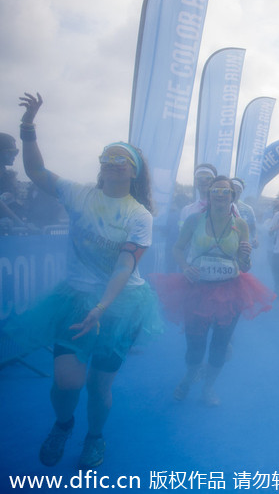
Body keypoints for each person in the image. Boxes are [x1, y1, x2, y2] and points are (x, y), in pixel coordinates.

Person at [10, 92, 162, 468]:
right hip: (74, 298)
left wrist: (101, 307)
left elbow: (125, 266)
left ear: (134, 170)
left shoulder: (140, 215)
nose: (112, 164)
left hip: (122, 305)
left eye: (120, 160)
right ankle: (63, 425)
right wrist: (28, 129)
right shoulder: (79, 194)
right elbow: (36, 173)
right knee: (66, 382)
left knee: (98, 387)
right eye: (106, 158)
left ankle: (94, 438)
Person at [152, 176, 276, 406]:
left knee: (220, 345)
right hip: (197, 290)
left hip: (230, 291)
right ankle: (189, 377)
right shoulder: (193, 220)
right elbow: (177, 248)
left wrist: (246, 255)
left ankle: (208, 388)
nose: (220, 196)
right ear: (209, 196)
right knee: (195, 345)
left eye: (225, 192)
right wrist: (185, 267)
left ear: (232, 196)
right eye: (215, 192)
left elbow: (245, 266)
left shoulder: (240, 225)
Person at [179, 163, 217, 228]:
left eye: (208, 178)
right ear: (195, 182)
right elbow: (181, 233)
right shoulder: (186, 210)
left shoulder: (230, 207)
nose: (203, 181)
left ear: (215, 181)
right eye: (199, 178)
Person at [231, 177, 259, 248]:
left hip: (242, 246)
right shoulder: (219, 205)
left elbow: (253, 227)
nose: (235, 194)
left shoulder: (248, 209)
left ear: (241, 192)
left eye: (238, 191)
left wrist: (255, 238)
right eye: (233, 190)